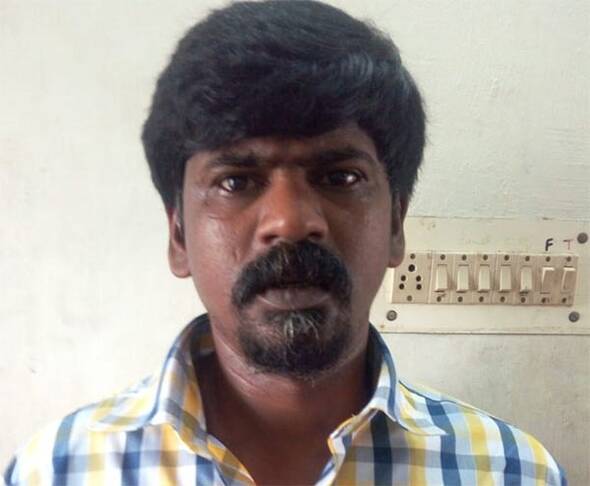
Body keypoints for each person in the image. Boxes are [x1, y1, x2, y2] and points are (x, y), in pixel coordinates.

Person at [4, 1, 566, 485]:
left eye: (339, 176)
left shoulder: (511, 471)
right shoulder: (56, 470)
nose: (291, 221)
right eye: (236, 182)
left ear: (396, 225)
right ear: (178, 234)